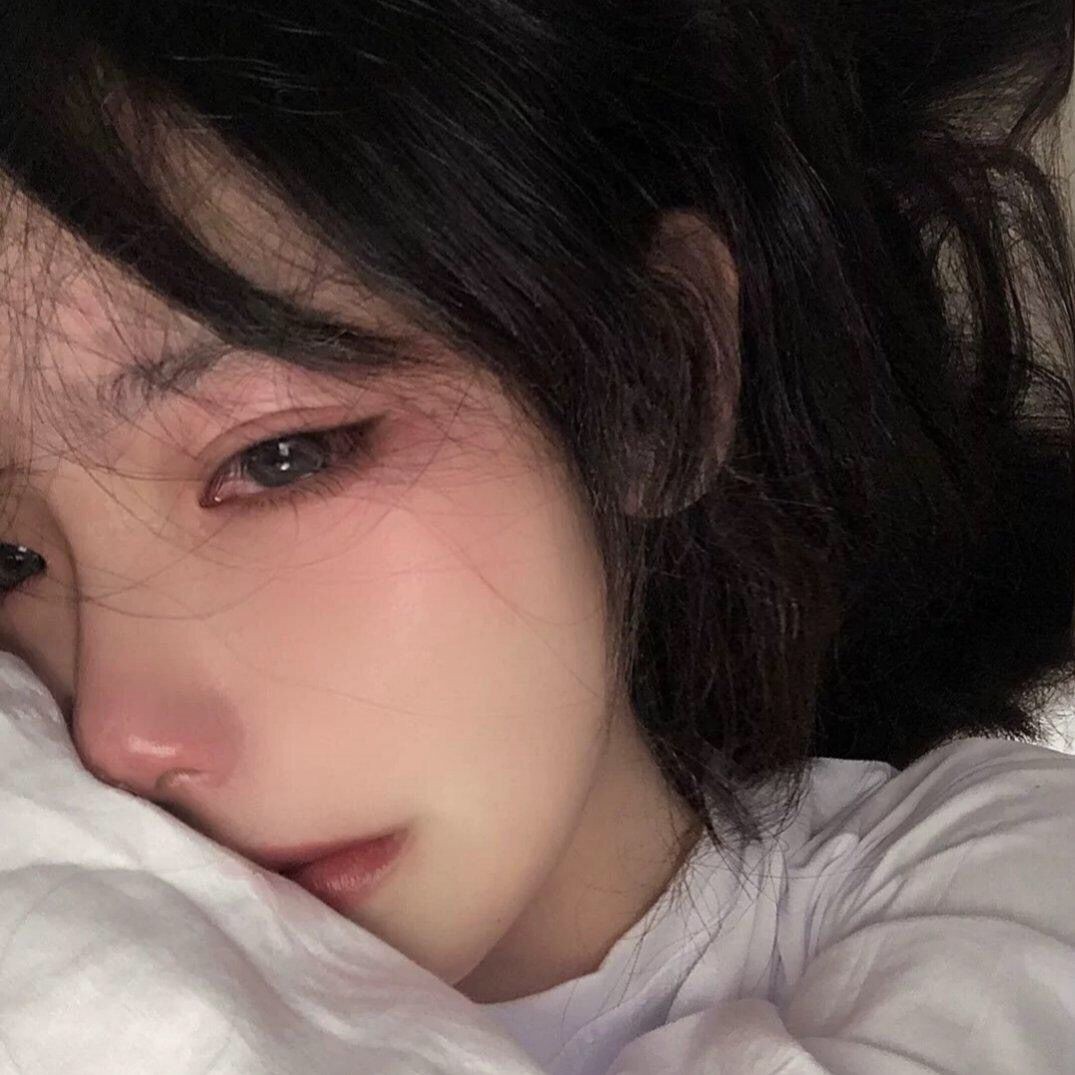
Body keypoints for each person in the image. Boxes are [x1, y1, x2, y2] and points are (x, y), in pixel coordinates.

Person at [0, 2, 1072, 1071]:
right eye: (6, 560)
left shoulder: (986, 885)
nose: (117, 733)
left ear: (651, 387)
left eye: (283, 455)